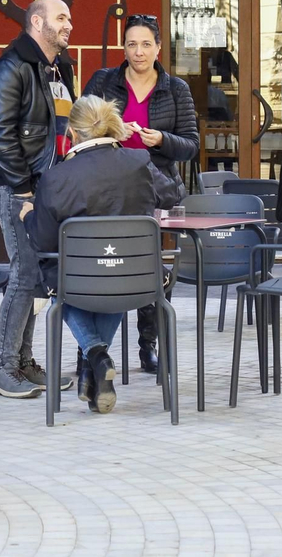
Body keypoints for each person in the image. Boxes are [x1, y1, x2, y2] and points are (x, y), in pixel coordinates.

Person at [24, 96, 183, 414]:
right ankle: (93, 370)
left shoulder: (56, 177)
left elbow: (42, 241)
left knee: (60, 279)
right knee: (117, 276)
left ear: (72, 132)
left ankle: (96, 357)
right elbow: (173, 194)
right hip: (136, 278)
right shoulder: (139, 162)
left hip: (79, 281)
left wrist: (28, 215)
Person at [83, 13, 199, 375]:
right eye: (132, 44)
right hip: (107, 187)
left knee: (151, 267)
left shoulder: (176, 89)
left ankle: (148, 344)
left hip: (155, 190)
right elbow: (81, 129)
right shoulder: (103, 81)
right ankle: (92, 349)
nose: (139, 52)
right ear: (123, 47)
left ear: (158, 47)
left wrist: (162, 139)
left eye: (146, 44)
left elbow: (191, 145)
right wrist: (113, 133)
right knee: (104, 265)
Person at [0, 0, 76, 399]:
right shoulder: (10, 68)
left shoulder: (60, 68)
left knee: (35, 276)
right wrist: (24, 190)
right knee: (23, 274)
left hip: (47, 190)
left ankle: (23, 362)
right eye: (61, 18)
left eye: (69, 18)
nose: (69, 24)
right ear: (37, 23)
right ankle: (2, 368)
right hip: (18, 190)